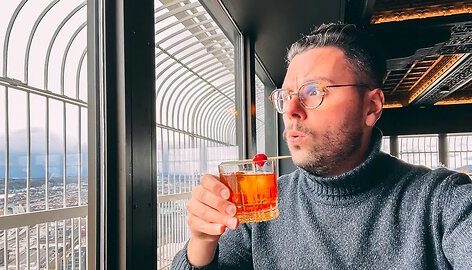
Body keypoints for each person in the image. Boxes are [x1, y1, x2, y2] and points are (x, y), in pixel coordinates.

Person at [172, 22, 472, 269]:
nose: (290, 110)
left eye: (313, 91)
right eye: (285, 95)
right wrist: (202, 240)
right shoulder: (264, 207)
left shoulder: (442, 201)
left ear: (371, 106)